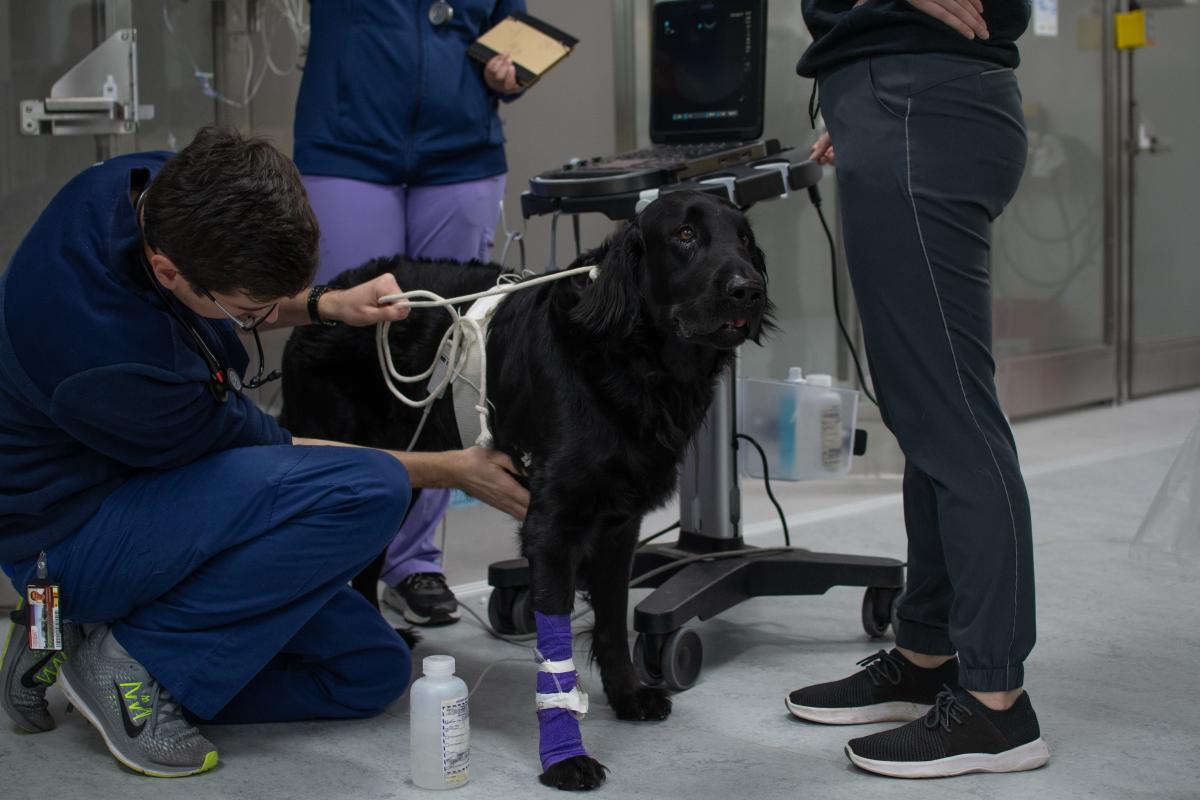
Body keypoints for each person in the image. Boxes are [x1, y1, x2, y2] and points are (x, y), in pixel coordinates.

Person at [0, 127, 529, 777]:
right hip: (75, 534)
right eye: (250, 311)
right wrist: (453, 471)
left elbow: (219, 289)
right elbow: (280, 453)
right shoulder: (108, 357)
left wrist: (329, 305)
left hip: (135, 490)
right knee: (369, 490)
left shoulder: (155, 187)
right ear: (169, 272)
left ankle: (102, 633)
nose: (258, 319)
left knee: (369, 672)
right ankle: (126, 659)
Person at [783, 0, 1052, 779]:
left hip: (917, 102)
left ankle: (998, 705)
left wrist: (889, 98)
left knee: (952, 413)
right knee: (922, 409)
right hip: (898, 104)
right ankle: (925, 652)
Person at [291, 0, 527, 627]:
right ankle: (337, 557)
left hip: (462, 151)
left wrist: (513, 69)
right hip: (347, 146)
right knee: (348, 347)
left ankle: (414, 560)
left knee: (450, 360)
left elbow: (513, 31)